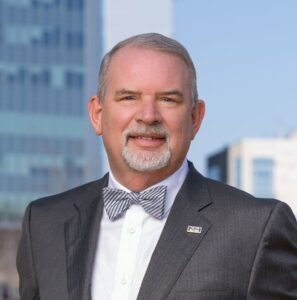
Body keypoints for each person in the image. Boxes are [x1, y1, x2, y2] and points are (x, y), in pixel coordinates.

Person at [17, 33, 297, 300]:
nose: (148, 116)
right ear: (97, 115)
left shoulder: (256, 228)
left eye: (167, 99)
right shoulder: (43, 223)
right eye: (129, 97)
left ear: (195, 118)